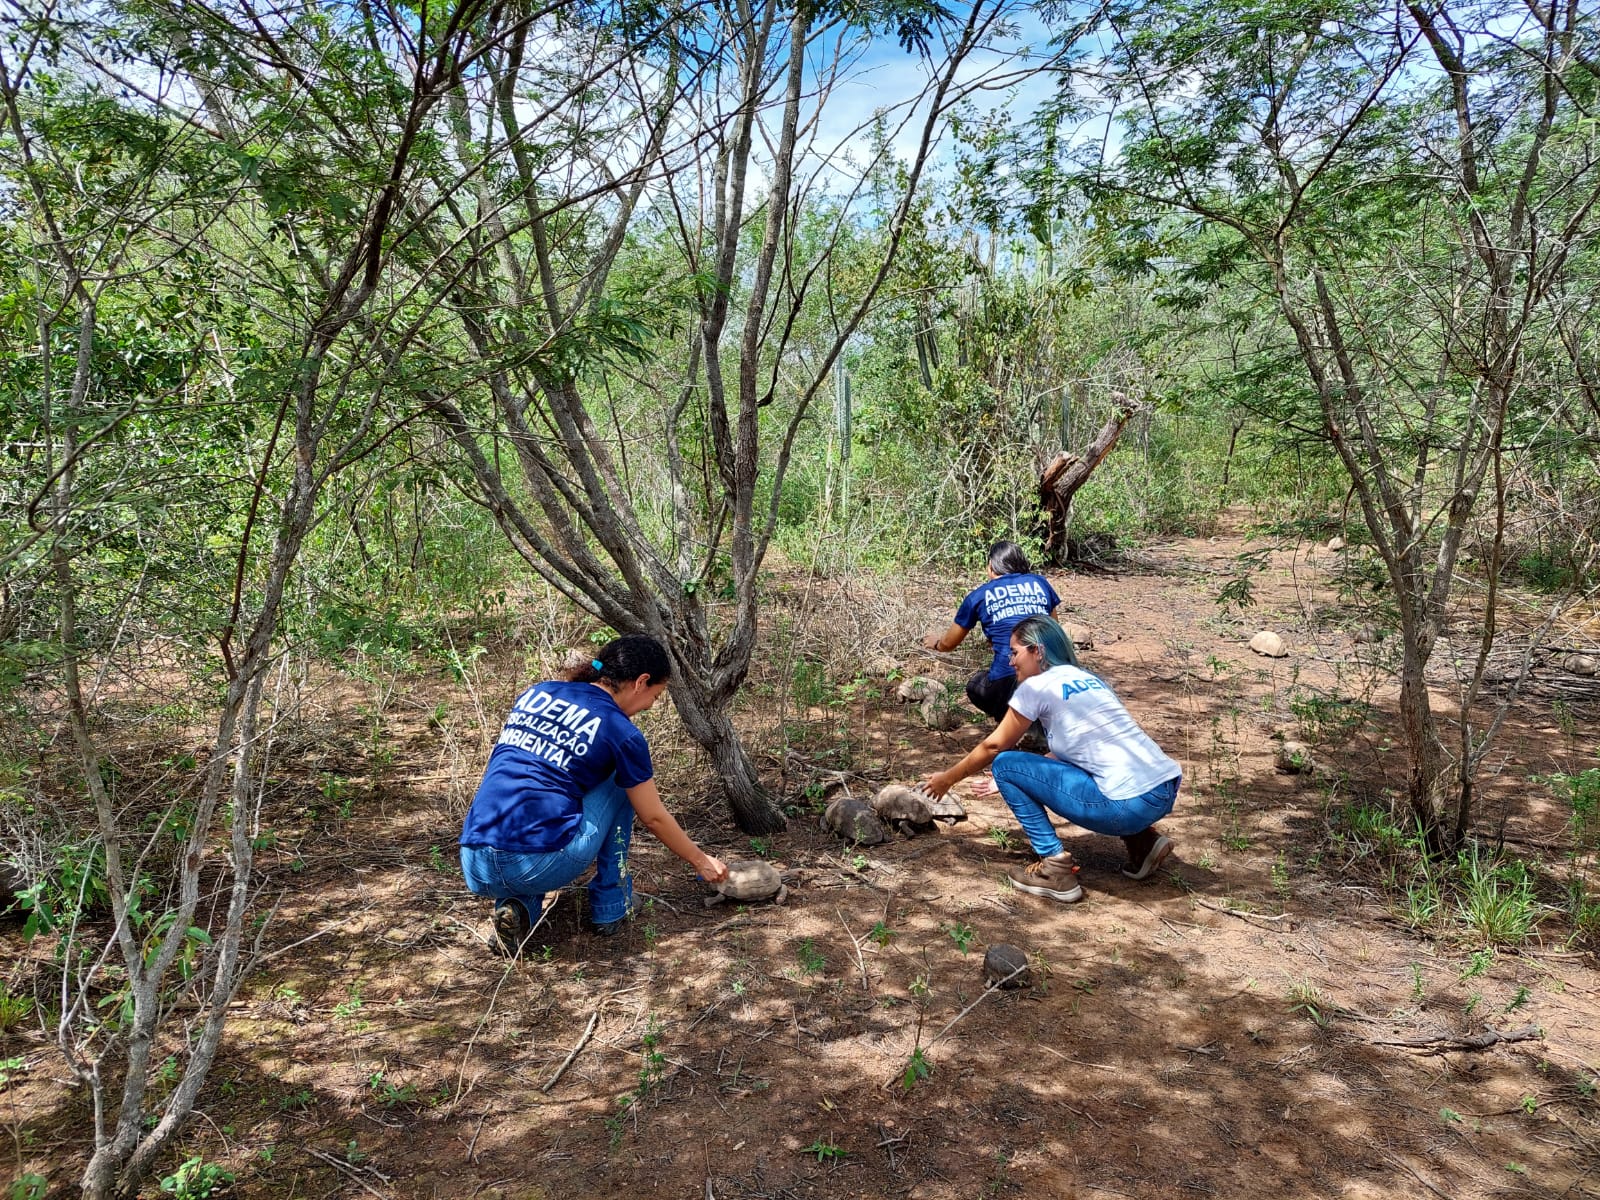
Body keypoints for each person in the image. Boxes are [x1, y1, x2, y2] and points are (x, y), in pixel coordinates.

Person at [459, 635, 728, 953]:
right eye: (655, 697)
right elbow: (653, 816)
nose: (648, 707)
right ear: (641, 682)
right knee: (622, 779)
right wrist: (700, 860)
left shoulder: (538, 693)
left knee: (538, 809)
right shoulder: (621, 731)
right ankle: (611, 906)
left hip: (475, 862)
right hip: (538, 863)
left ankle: (517, 910)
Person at [922, 614, 1179, 902]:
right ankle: (1144, 841)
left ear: (1038, 651)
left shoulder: (1037, 686)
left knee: (1005, 764)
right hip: (1163, 791)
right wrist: (1024, 780)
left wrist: (947, 779)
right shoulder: (1089, 679)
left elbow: (994, 746)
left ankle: (1054, 869)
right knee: (1089, 773)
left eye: (1015, 652)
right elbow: (1076, 750)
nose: (1010, 661)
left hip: (1127, 806)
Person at [923, 540, 1070, 724]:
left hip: (1009, 680)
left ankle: (1010, 723)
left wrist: (936, 643)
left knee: (975, 686)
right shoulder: (1040, 583)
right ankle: (1038, 724)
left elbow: (949, 643)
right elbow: (1054, 630)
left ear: (991, 567)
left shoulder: (979, 596)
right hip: (1053, 677)